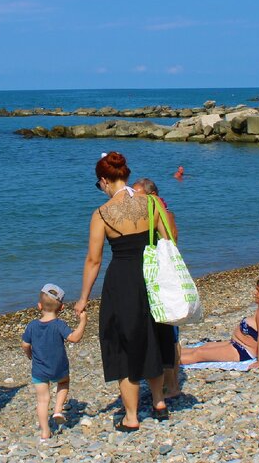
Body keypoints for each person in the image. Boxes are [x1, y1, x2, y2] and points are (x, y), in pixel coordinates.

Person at [73, 152, 176, 432]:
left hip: (122, 280)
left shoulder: (102, 214)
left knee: (123, 344)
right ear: (127, 175)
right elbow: (168, 240)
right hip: (151, 276)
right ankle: (159, 401)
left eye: (100, 184)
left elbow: (93, 260)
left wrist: (83, 297)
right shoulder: (152, 203)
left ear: (105, 180)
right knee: (154, 334)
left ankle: (131, 417)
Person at [179, 278, 259, 368]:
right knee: (204, 347)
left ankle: (165, 364)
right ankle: (167, 355)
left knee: (199, 354)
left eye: (258, 291)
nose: (255, 293)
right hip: (240, 345)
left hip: (244, 350)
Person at [132, 178, 181, 399]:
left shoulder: (162, 214)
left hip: (161, 277)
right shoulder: (157, 213)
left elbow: (171, 242)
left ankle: (171, 385)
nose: (133, 198)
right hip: (156, 275)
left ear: (150, 195)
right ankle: (165, 383)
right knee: (163, 329)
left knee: (167, 330)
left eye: (137, 194)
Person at [22, 283, 88, 441]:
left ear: (39, 306)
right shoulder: (59, 325)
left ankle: (45, 431)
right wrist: (83, 322)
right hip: (58, 367)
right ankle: (58, 409)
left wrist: (29, 354)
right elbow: (74, 338)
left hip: (39, 370)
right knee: (64, 383)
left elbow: (25, 344)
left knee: (42, 400)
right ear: (62, 307)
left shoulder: (32, 326)